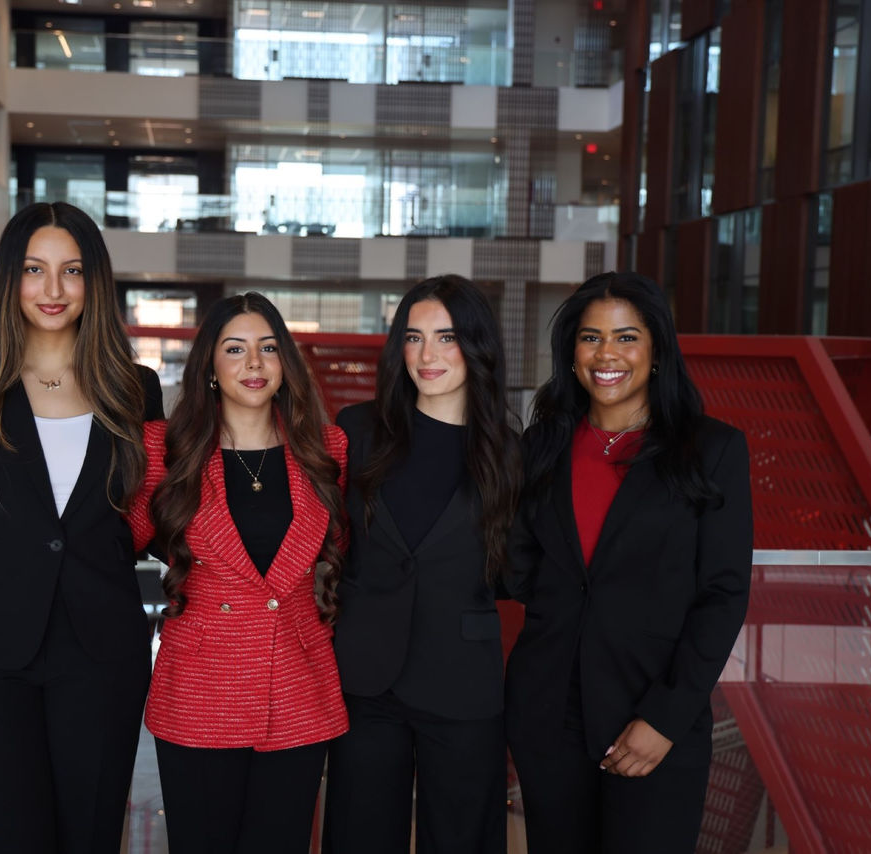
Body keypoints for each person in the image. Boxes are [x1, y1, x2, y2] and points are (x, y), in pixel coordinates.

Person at [0, 202, 163, 853]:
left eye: (71, 271)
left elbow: (151, 518)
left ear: (94, 282)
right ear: (8, 281)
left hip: (103, 664)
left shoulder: (136, 391)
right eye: (34, 270)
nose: (52, 290)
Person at [504, 271, 753, 853]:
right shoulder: (540, 448)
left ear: (657, 349)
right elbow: (515, 568)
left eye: (626, 337)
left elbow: (722, 594)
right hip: (548, 717)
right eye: (590, 338)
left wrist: (665, 718)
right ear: (571, 352)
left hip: (652, 717)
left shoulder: (711, 450)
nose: (606, 354)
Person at [126, 292, 348, 854]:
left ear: (285, 364)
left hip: (299, 691)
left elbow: (344, 552)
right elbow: (108, 547)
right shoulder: (165, 451)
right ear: (209, 368)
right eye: (235, 349)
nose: (254, 364)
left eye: (268, 348)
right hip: (198, 695)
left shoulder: (327, 449)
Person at [322, 274, 522, 854]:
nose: (427, 355)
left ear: (477, 345)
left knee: (463, 839)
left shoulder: (509, 453)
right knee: (358, 836)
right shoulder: (358, 430)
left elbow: (515, 567)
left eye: (446, 337)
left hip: (462, 682)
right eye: (413, 337)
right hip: (366, 677)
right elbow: (330, 538)